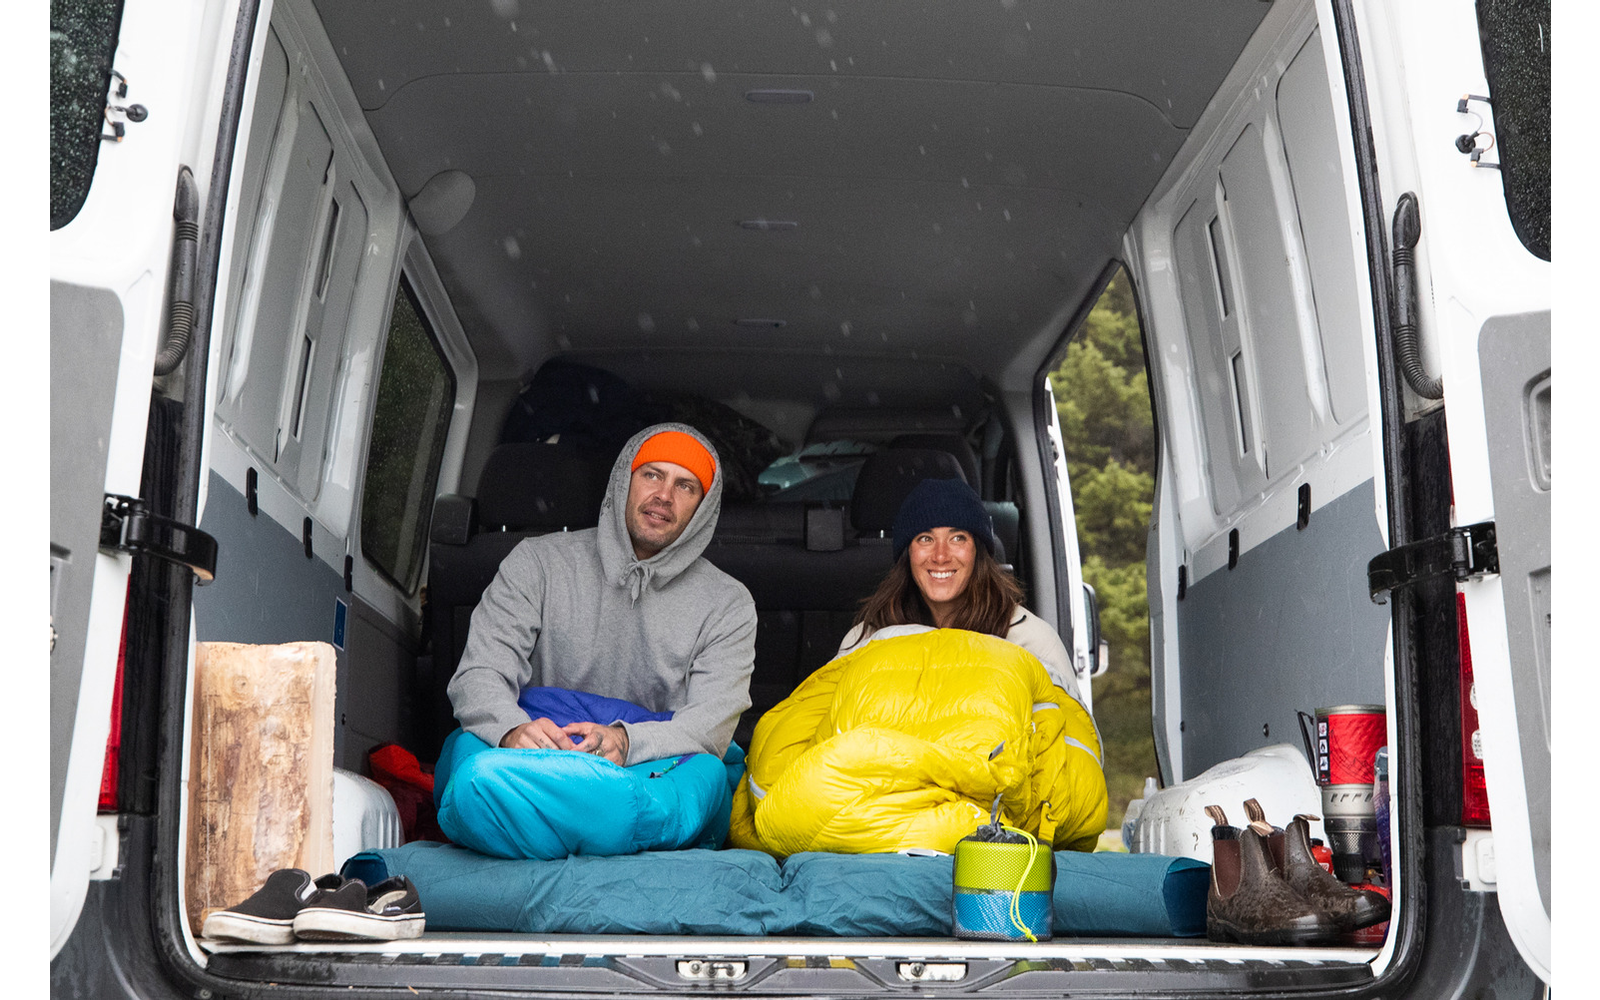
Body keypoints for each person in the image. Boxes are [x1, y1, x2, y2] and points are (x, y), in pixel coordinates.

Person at [447, 422, 757, 766]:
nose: (664, 495)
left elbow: (710, 725)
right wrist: (511, 730)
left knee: (707, 771)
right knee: (471, 757)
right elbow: (479, 674)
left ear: (703, 508)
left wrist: (627, 742)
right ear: (624, 480)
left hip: (654, 763)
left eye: (685, 486)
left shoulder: (728, 602)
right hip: (536, 753)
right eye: (652, 475)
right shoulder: (537, 562)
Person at [837, 476, 1086, 710]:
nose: (941, 556)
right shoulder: (865, 641)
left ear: (978, 551)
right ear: (907, 553)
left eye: (957, 538)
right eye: (925, 539)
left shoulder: (1030, 641)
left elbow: (1072, 744)